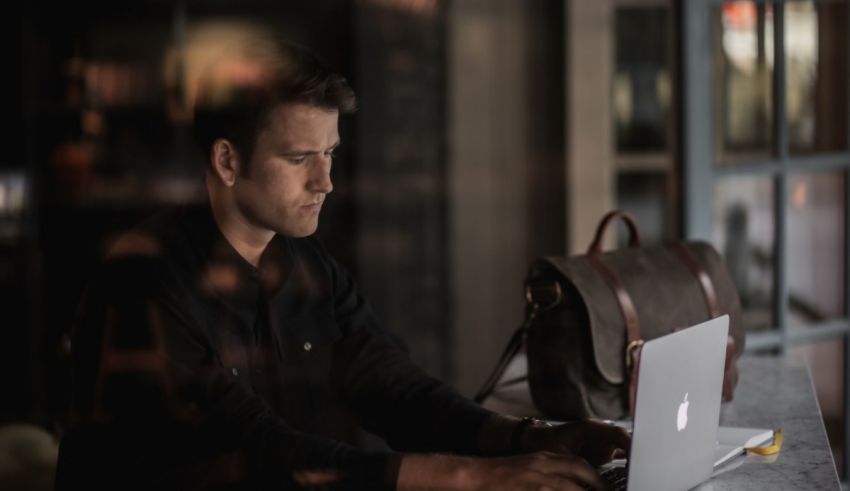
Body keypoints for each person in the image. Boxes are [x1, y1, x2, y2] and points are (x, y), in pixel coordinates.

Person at [56, 37, 629, 490]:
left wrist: (532, 439)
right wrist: (469, 477)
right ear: (227, 161)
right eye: (299, 158)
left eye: (329, 153)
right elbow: (260, 454)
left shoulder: (306, 265)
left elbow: (396, 391)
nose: (325, 181)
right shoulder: (143, 282)